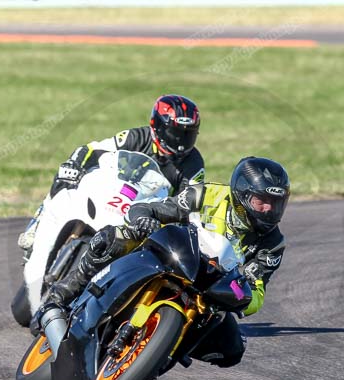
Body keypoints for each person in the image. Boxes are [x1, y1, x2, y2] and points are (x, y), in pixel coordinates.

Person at [32, 157, 290, 368]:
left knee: (233, 350)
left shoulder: (273, 243)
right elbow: (156, 208)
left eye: (276, 203)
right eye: (262, 202)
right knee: (113, 238)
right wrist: (144, 217)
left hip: (210, 289)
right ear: (241, 196)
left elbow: (257, 290)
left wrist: (241, 296)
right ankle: (60, 296)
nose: (269, 210)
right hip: (173, 256)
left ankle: (162, 352)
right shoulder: (206, 194)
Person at [18, 94, 205, 252]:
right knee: (65, 177)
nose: (180, 141)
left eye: (188, 134)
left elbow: (190, 205)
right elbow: (93, 149)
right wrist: (73, 164)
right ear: (157, 126)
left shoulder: (194, 163)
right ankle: (38, 224)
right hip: (116, 191)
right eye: (175, 133)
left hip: (147, 212)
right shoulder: (137, 137)